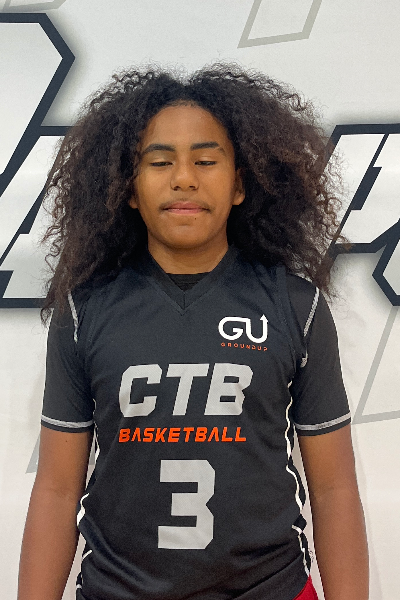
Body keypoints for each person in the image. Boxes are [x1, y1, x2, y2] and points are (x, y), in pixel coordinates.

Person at [18, 64, 369, 600]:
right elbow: (57, 490)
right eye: (160, 162)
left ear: (240, 184)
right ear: (128, 188)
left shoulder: (297, 306)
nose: (184, 178)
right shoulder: (83, 310)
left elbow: (335, 488)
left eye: (206, 160)